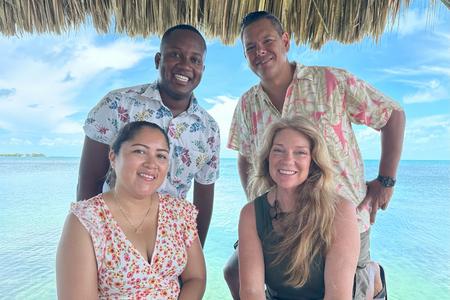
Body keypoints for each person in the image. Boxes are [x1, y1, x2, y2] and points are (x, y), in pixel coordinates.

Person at [225, 11, 405, 300]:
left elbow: (392, 115)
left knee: (344, 289)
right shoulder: (247, 104)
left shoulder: (331, 81)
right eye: (250, 46)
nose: (259, 51)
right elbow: (245, 156)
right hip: (279, 219)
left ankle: (373, 277)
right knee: (234, 272)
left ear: (285, 41)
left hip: (340, 218)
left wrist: (386, 180)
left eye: (267, 40)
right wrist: (258, 207)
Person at [77, 24, 220, 247]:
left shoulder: (208, 129)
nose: (185, 65)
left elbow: (203, 200)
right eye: (175, 55)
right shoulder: (117, 104)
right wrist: (91, 245)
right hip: (114, 237)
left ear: (202, 68)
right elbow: (89, 182)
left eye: (195, 60)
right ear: (157, 60)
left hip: (170, 246)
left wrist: (193, 255)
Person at [57, 121, 206, 299]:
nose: (152, 164)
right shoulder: (86, 221)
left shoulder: (179, 212)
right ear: (113, 157)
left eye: (161, 156)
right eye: (140, 151)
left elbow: (196, 278)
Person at [239, 116, 360, 299]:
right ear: (268, 158)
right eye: (278, 150)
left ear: (313, 161)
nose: (287, 160)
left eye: (300, 152)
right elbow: (252, 292)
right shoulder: (251, 214)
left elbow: (338, 295)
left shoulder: (341, 211)